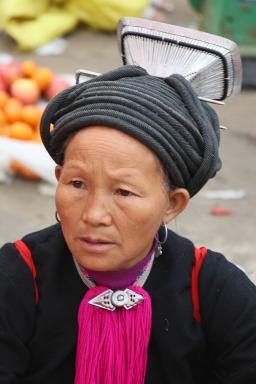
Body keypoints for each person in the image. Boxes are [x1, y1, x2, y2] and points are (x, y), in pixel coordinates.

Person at [0, 65, 256, 384]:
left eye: (124, 192)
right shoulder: (18, 278)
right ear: (59, 180)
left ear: (172, 204)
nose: (94, 214)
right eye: (77, 184)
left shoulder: (213, 291)